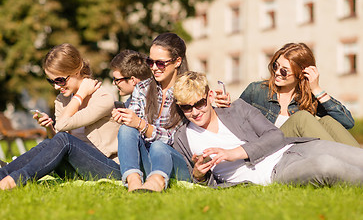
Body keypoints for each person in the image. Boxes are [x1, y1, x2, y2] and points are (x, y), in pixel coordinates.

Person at [172, 71, 363, 187]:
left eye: (199, 104)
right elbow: (194, 180)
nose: (195, 112)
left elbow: (276, 135)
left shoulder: (237, 108)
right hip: (274, 172)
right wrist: (199, 175)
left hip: (292, 149)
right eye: (186, 107)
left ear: (210, 96)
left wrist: (234, 153)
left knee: (357, 156)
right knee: (326, 165)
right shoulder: (183, 138)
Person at [0, 43, 121, 190]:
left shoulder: (102, 98)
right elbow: (58, 139)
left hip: (109, 168)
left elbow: (63, 129)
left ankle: (13, 181)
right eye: (51, 81)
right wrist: (49, 128)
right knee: (46, 144)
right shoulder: (62, 100)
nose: (57, 87)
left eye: (60, 80)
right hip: (77, 167)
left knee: (64, 140)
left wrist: (81, 94)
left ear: (77, 71)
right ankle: (2, 175)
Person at [217, 43, 360, 147]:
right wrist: (228, 106)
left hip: (297, 153)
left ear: (300, 74)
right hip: (268, 151)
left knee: (328, 121)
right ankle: (343, 163)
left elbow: (347, 122)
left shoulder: (307, 98)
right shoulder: (257, 90)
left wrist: (316, 89)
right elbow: (234, 124)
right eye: (275, 66)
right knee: (302, 118)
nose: (277, 72)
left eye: (284, 70)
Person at [112, 33, 191, 192]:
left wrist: (141, 125)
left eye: (160, 63)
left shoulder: (187, 91)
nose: (154, 67)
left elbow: (174, 139)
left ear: (177, 62)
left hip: (173, 160)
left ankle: (157, 182)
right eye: (150, 62)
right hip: (146, 158)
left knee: (158, 146)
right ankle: (133, 181)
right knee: (126, 129)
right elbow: (133, 126)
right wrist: (127, 119)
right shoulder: (143, 88)